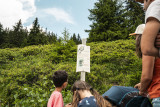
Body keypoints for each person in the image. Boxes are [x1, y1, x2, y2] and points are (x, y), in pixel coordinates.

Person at [129, 24, 160, 107]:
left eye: (136, 37)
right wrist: (142, 84)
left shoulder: (148, 49)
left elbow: (147, 77)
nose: (135, 40)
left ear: (140, 37)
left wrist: (142, 91)